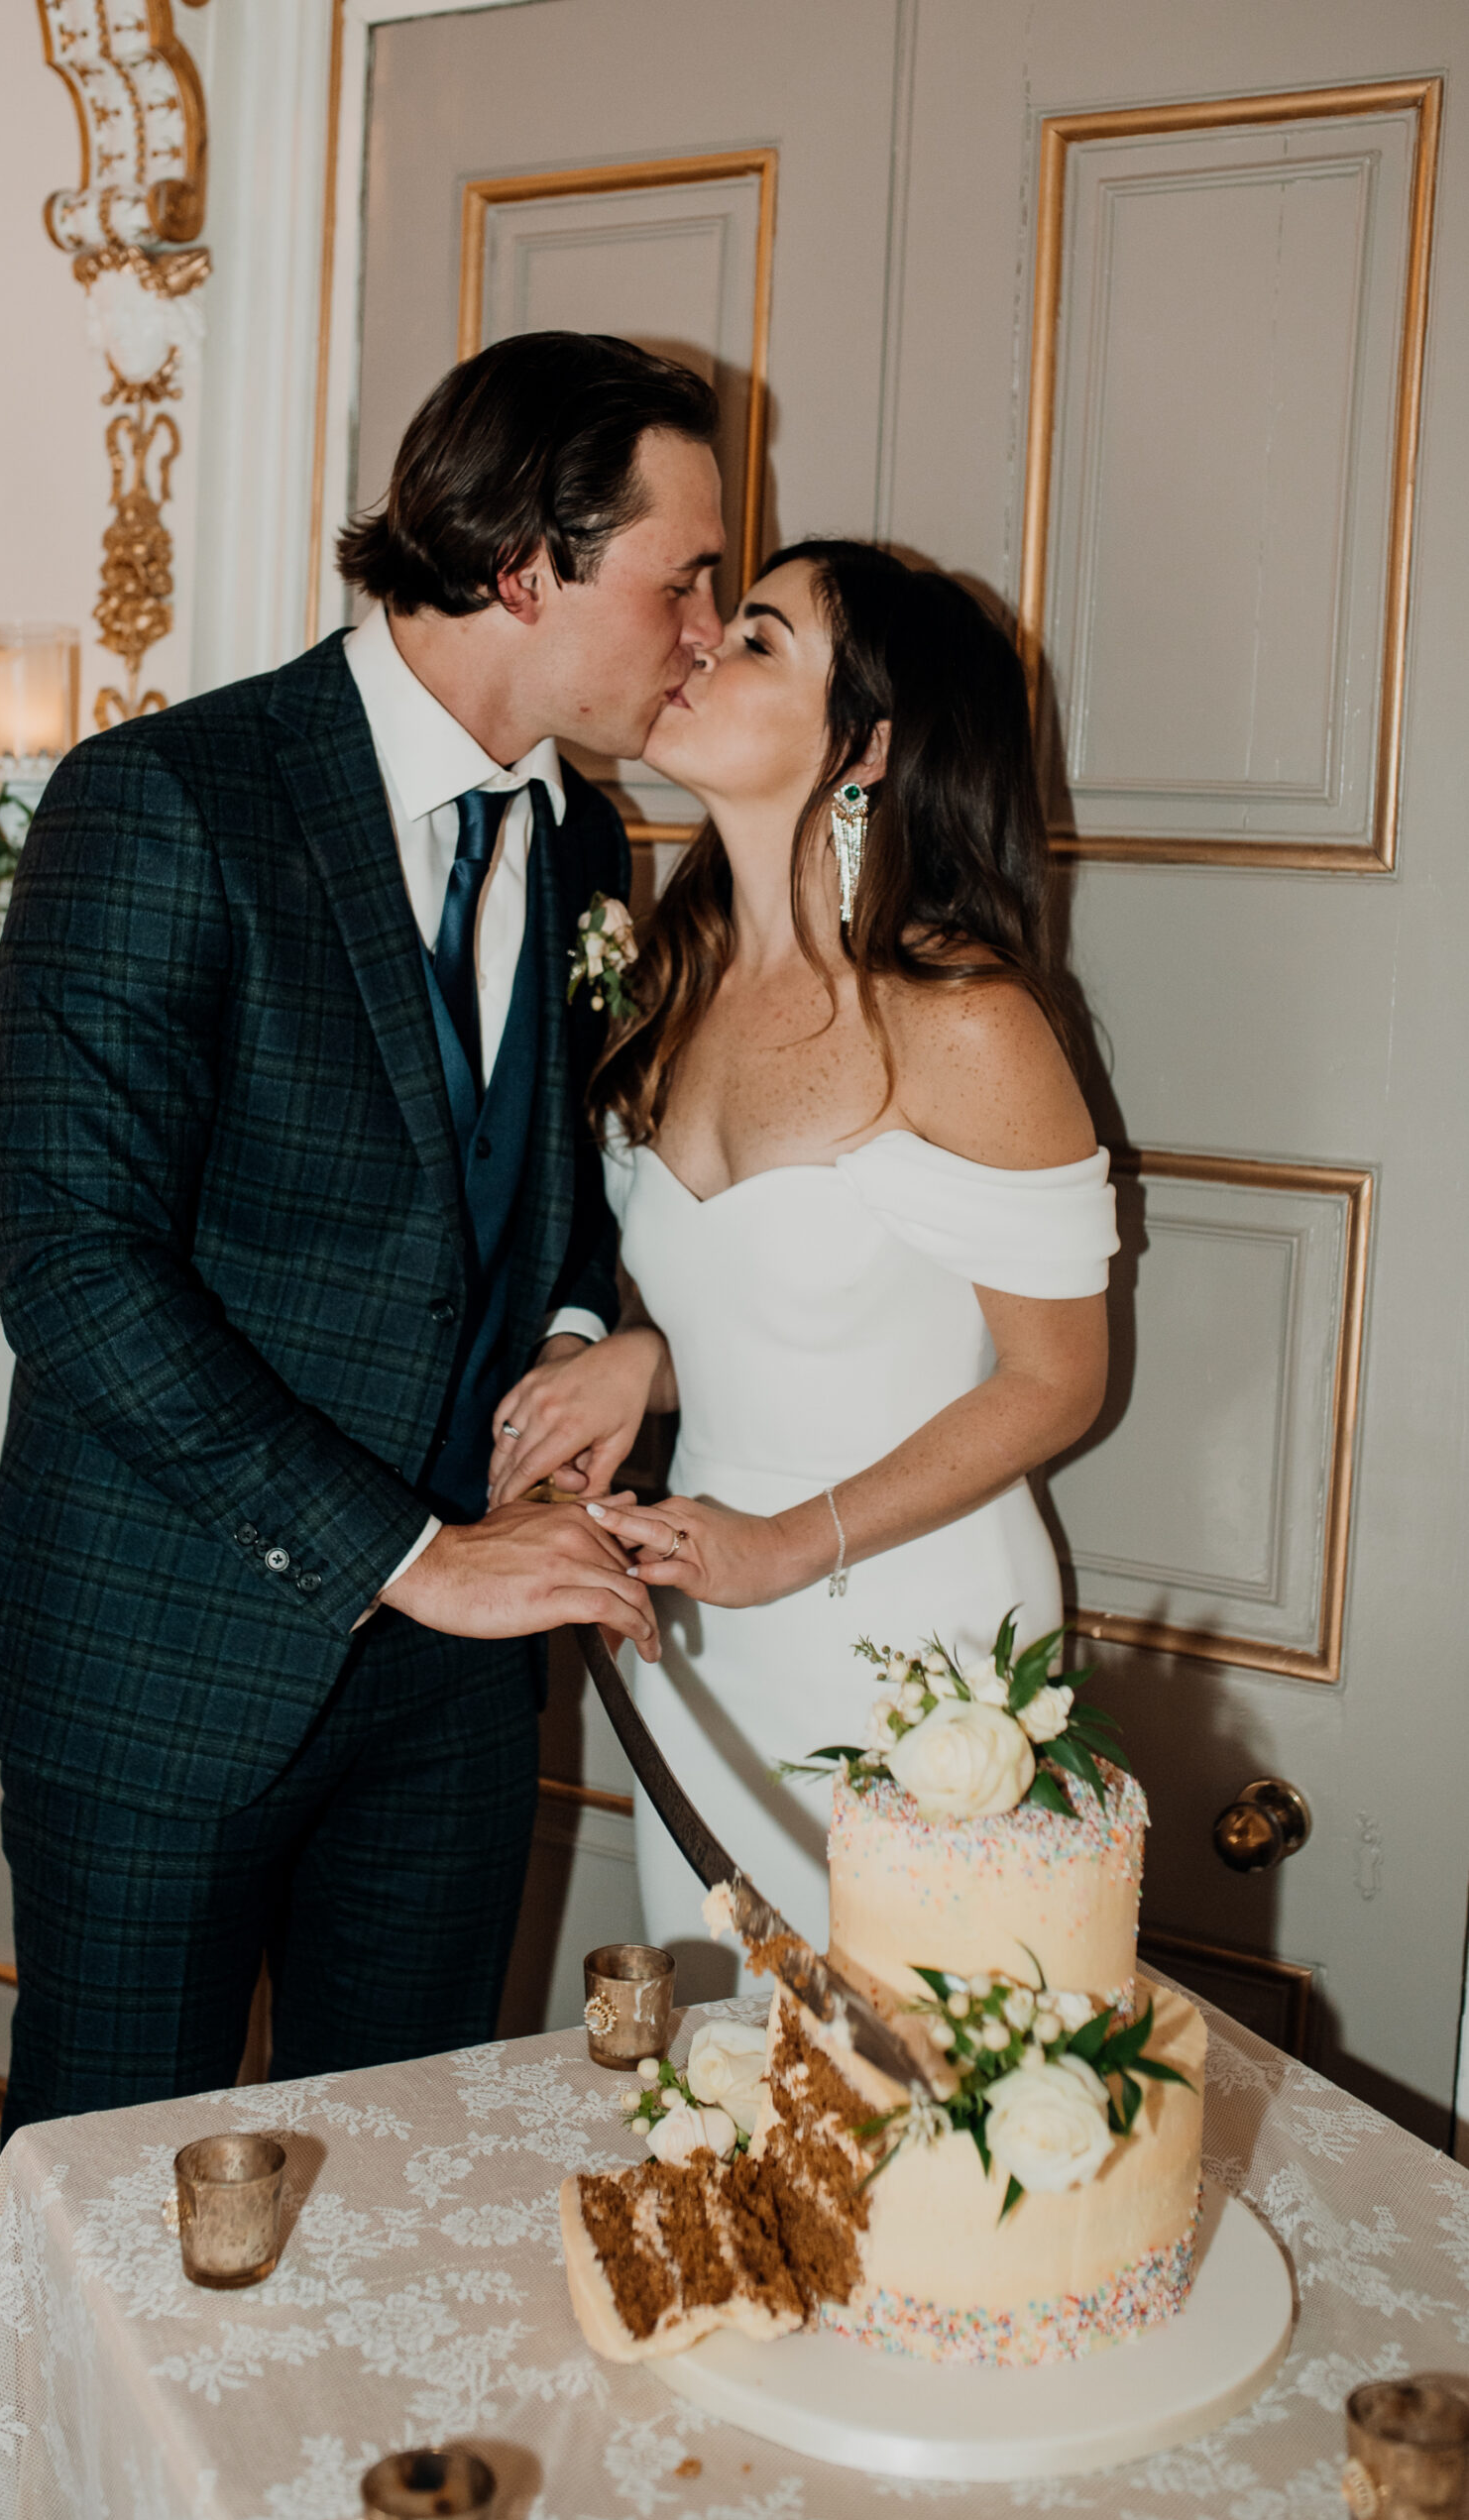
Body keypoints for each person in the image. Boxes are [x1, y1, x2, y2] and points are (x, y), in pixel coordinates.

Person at [0, 332, 727, 2133]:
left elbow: (528, 1205)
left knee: (398, 2203)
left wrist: (559, 1350)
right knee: (113, 2240)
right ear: (526, 563)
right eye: (678, 579)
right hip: (166, 1669)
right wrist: (410, 1553)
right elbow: (75, 1274)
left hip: (452, 1712)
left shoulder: (588, 849)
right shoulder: (168, 801)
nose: (703, 628)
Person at [487, 540, 1117, 1967]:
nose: (700, 645)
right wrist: (637, 1363)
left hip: (910, 1639)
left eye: (758, 638)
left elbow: (1053, 1380)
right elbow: (764, 1287)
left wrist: (789, 1544)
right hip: (705, 1631)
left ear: (868, 747)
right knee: (730, 2097)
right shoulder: (673, 977)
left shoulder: (959, 1018)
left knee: (920, 2108)